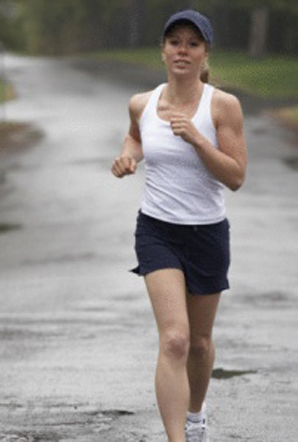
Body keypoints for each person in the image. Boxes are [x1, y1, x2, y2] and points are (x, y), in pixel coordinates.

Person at [111, 9, 247, 442]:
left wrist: (198, 139)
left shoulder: (222, 106)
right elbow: (136, 134)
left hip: (206, 232)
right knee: (174, 339)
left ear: (205, 53)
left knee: (199, 343)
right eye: (175, 42)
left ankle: (195, 414)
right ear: (163, 50)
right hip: (157, 230)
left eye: (192, 43)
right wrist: (129, 155)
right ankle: (177, 439)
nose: (182, 50)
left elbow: (236, 176)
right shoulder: (142, 103)